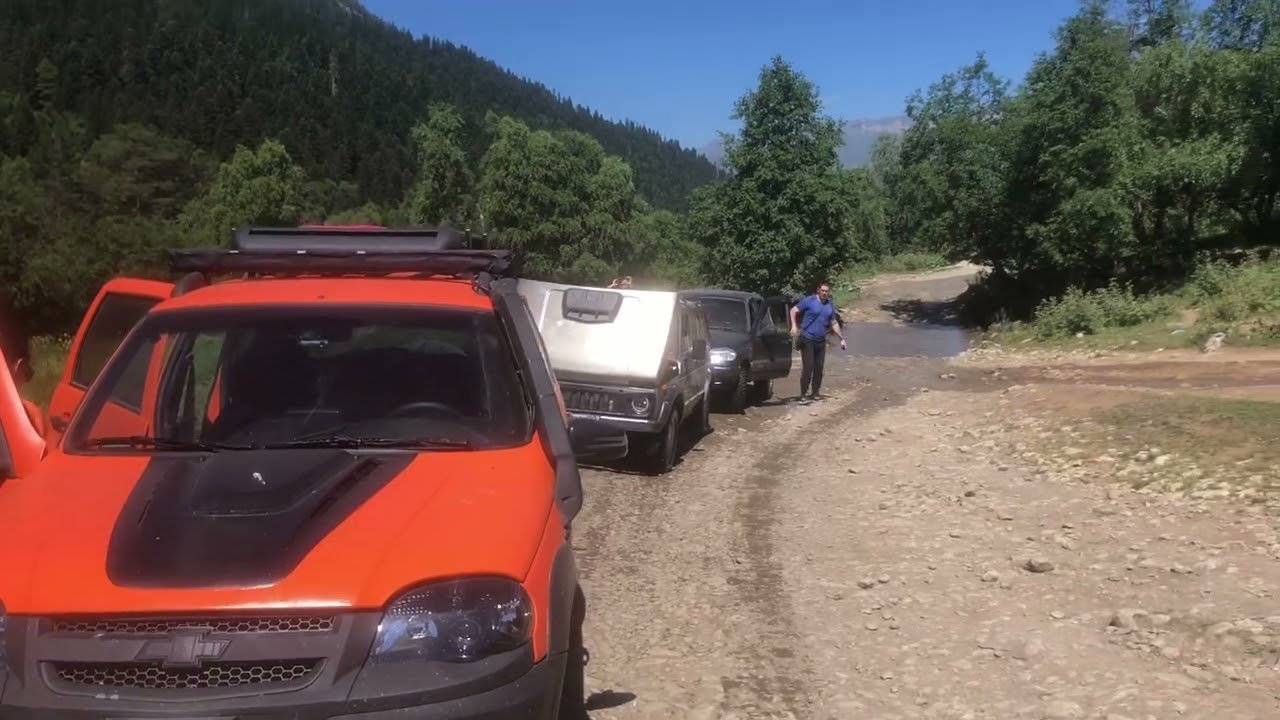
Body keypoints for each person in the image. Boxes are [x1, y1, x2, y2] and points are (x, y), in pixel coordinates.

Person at [789, 282, 846, 402]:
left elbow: (833, 323)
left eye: (827, 291)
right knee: (808, 366)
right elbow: (793, 310)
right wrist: (794, 326)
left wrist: (841, 338)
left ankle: (815, 392)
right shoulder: (809, 301)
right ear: (818, 290)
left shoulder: (829, 305)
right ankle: (803, 393)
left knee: (819, 367)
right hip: (807, 338)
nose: (825, 293)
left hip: (821, 339)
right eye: (823, 291)